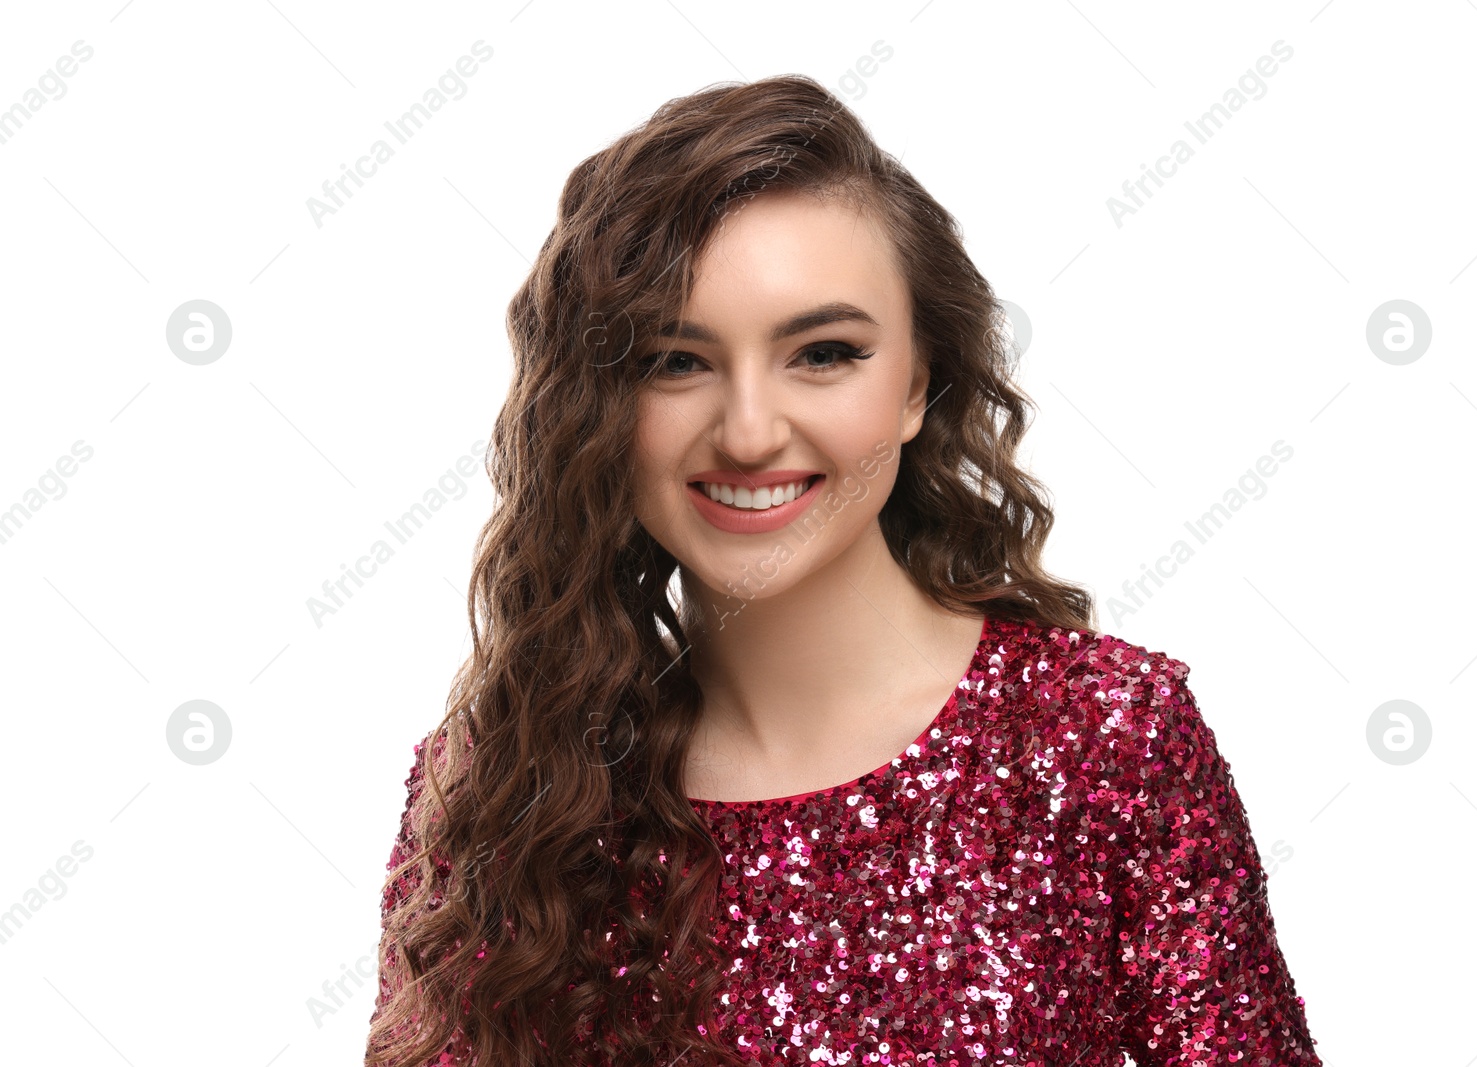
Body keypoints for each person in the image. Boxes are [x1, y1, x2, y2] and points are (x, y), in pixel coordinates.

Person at [365, 74, 1323, 1067]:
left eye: (822, 353)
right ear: (595, 406)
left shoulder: (1103, 740)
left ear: (917, 383)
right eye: (673, 359)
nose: (747, 431)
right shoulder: (503, 784)